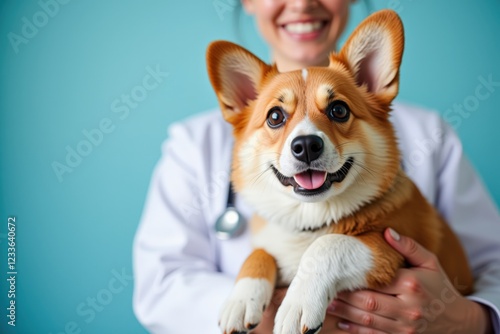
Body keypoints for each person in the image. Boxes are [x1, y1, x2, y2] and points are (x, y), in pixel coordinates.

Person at [133, 1, 500, 333]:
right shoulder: (192, 144)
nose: (303, 3)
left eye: (337, 111)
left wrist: (468, 320)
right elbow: (161, 287)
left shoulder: (429, 133)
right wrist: (267, 304)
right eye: (276, 117)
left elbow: (493, 265)